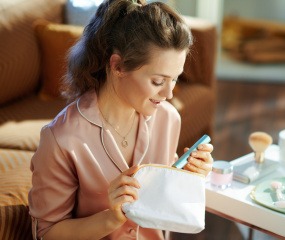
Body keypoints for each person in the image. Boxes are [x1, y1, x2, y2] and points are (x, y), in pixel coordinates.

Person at [28, 0, 214, 239]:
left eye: (175, 79)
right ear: (118, 66)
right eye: (158, 81)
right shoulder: (62, 139)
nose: (169, 94)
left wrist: (190, 176)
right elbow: (47, 232)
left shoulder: (168, 119)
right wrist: (110, 218)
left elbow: (162, 203)